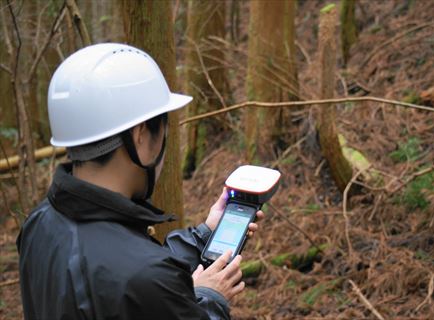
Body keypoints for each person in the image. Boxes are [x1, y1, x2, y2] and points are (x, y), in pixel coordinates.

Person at [16, 43, 264, 320]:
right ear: (141, 135)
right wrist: (209, 301)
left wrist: (202, 237)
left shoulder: (39, 222)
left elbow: (114, 275)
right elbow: (136, 277)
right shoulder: (144, 277)